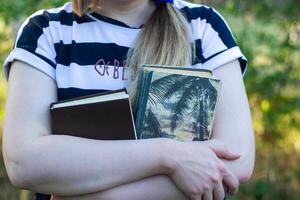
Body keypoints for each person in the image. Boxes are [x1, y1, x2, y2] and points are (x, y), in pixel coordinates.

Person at [2, 0, 255, 200]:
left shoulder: (203, 26)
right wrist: (168, 156)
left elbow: (237, 161)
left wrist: (95, 197)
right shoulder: (46, 32)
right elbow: (24, 161)